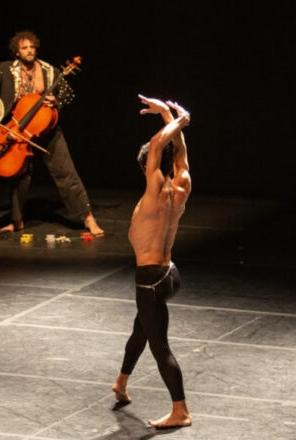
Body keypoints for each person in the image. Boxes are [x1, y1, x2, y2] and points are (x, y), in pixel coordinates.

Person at [112, 95, 192, 428]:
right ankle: (121, 381)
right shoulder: (183, 183)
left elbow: (158, 145)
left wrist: (179, 119)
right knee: (142, 327)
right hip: (169, 275)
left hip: (150, 278)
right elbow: (178, 152)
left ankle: (181, 411)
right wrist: (168, 115)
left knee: (159, 345)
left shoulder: (153, 191)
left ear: (149, 166)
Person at [0, 30, 104, 235]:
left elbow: (67, 93)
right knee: (19, 177)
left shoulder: (49, 70)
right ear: (17, 52)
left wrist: (56, 101)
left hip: (46, 129)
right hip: (18, 131)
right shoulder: (6, 69)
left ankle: (88, 219)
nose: (29, 51)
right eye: (24, 48)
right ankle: (16, 221)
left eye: (32, 47)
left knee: (66, 173)